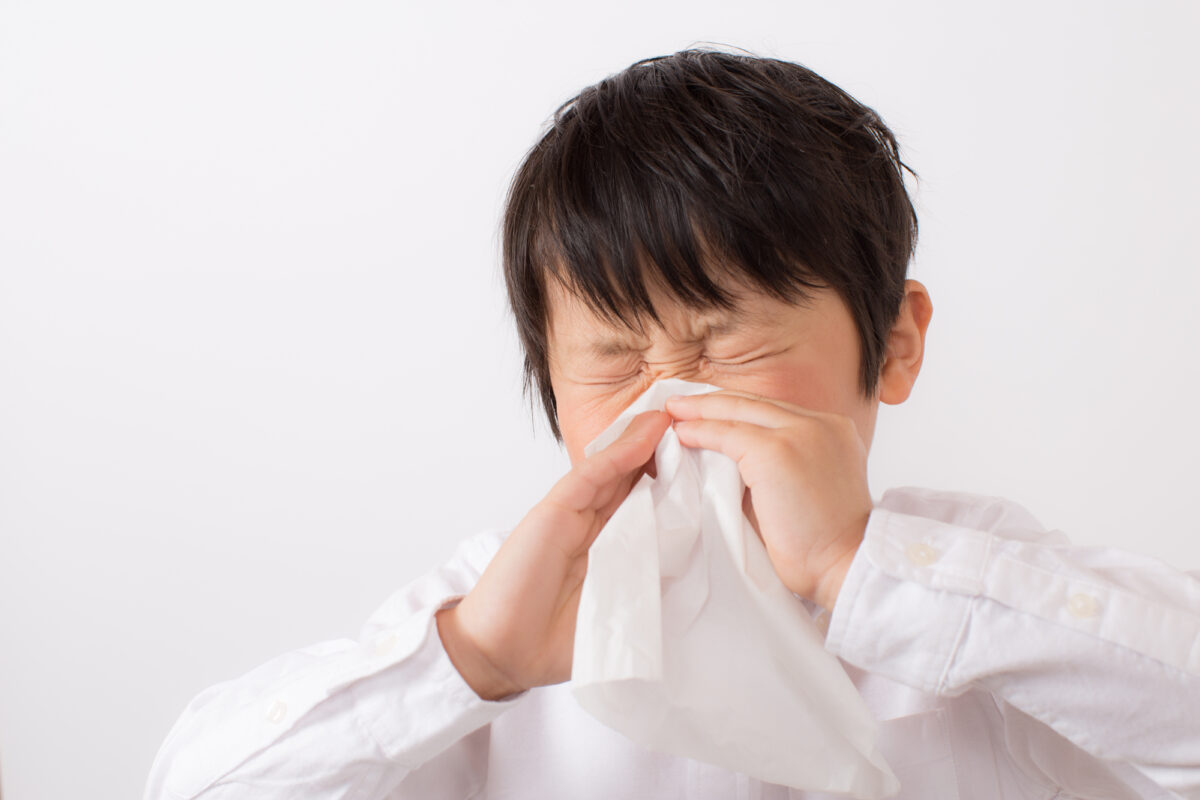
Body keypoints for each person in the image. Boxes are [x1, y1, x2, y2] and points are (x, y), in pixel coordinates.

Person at [144, 48, 1200, 799]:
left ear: (893, 345)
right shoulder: (499, 610)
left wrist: (862, 565)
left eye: (723, 345)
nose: (670, 407)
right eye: (612, 361)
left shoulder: (984, 582)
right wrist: (470, 659)